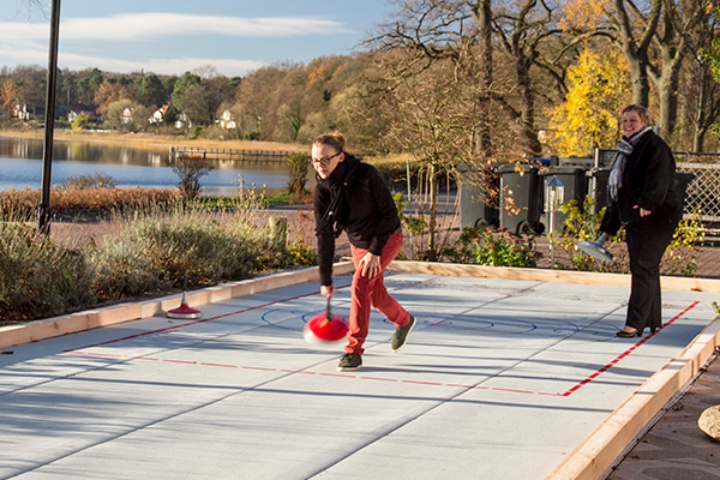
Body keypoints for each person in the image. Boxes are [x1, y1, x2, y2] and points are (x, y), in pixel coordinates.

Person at [311, 132, 415, 371]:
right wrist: (325, 279)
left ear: (341, 157)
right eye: (316, 160)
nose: (320, 165)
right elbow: (324, 236)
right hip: (359, 245)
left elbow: (390, 215)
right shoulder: (322, 191)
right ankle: (403, 320)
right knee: (375, 295)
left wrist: (376, 251)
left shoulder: (365, 174)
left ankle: (353, 351)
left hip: (386, 237)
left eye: (326, 159)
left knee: (359, 284)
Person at [599, 105, 681, 338]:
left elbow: (660, 178)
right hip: (635, 215)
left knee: (643, 266)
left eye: (632, 120)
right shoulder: (628, 149)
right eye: (624, 120)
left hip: (656, 216)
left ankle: (634, 323)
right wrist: (611, 224)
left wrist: (648, 203)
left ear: (644, 122)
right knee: (646, 267)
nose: (627, 124)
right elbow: (620, 189)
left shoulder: (654, 146)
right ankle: (650, 320)